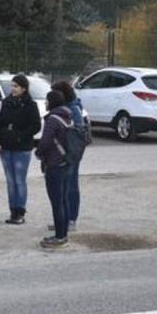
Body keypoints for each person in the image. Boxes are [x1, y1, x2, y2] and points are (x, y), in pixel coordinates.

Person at [0, 74, 41, 225]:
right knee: (10, 181)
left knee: (19, 180)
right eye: (12, 86)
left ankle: (20, 211)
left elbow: (36, 126)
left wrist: (20, 136)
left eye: (16, 86)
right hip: (6, 146)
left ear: (23, 88)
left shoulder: (30, 105)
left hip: (22, 148)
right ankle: (12, 211)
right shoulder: (6, 102)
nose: (12, 89)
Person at [35, 90, 74, 249]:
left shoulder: (52, 120)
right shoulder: (67, 117)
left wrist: (38, 154)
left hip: (54, 164)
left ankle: (59, 237)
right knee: (64, 200)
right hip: (66, 162)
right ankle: (63, 234)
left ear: (52, 102)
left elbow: (45, 142)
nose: (45, 103)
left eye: (47, 100)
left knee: (56, 202)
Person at [51, 79, 90, 231]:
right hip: (65, 151)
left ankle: (71, 219)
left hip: (71, 153)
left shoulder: (73, 109)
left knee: (71, 186)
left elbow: (77, 133)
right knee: (64, 186)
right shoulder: (66, 107)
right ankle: (63, 220)